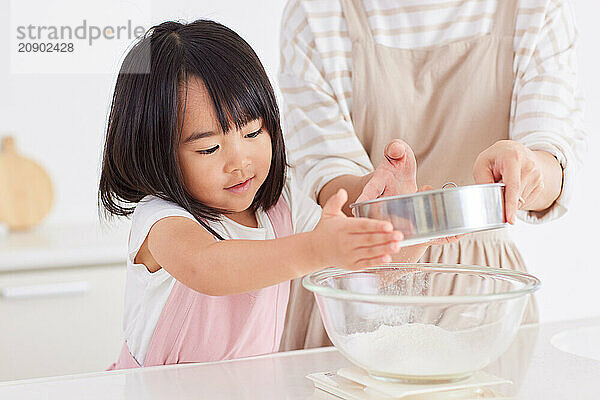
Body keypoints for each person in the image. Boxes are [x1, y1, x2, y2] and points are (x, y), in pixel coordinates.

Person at [99, 19, 428, 369]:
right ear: (155, 150)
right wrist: (316, 247)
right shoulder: (161, 219)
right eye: (209, 148)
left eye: (254, 132)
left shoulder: (281, 205)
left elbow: (370, 271)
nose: (239, 161)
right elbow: (208, 267)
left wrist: (415, 229)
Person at [278, 0, 586, 350]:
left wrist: (526, 166)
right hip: (360, 290)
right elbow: (328, 176)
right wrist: (383, 205)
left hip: (482, 298)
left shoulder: (538, 7)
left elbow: (550, 154)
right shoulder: (317, 12)